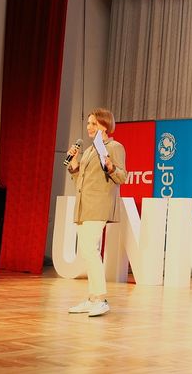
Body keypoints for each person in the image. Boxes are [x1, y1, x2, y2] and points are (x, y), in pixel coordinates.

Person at [66, 108, 127, 317]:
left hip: (99, 205)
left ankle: (100, 299)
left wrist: (110, 167)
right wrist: (74, 165)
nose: (89, 127)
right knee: (86, 251)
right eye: (88, 123)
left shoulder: (114, 147)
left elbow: (122, 177)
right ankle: (92, 298)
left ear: (105, 125)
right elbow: (81, 181)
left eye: (94, 123)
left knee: (90, 250)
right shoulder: (90, 150)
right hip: (84, 206)